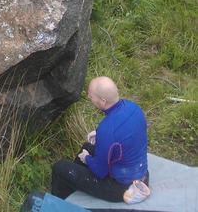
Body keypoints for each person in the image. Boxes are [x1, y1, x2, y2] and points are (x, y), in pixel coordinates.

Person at [51, 76, 150, 204]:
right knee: (87, 147)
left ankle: (58, 204)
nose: (88, 97)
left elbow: (100, 171)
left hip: (122, 187)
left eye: (91, 96)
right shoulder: (133, 107)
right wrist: (100, 137)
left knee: (60, 168)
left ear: (103, 101)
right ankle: (74, 190)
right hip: (142, 176)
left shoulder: (107, 129)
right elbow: (128, 133)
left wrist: (86, 158)